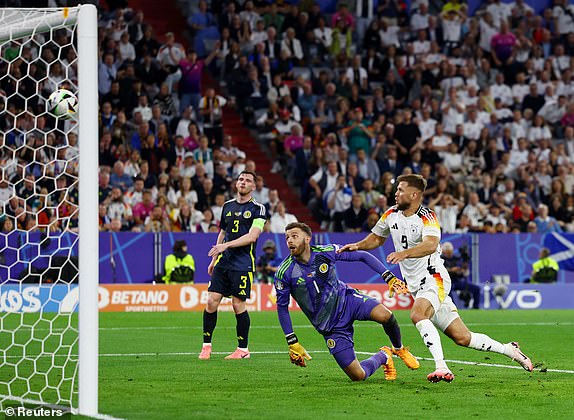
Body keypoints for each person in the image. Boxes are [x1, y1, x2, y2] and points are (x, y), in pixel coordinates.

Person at [338, 174, 533, 383]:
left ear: (414, 194)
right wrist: (358, 245)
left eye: (400, 190)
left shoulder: (427, 216)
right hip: (416, 286)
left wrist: (404, 253)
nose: (395, 193)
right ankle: (510, 350)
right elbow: (377, 237)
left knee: (417, 314)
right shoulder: (390, 214)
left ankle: (442, 367)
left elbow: (431, 244)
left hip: (434, 278)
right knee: (462, 337)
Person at [274, 222, 420, 382]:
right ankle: (384, 355)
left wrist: (388, 276)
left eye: (294, 236)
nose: (289, 241)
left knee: (385, 315)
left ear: (307, 239)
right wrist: (292, 341)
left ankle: (398, 348)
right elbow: (282, 307)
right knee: (358, 376)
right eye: (287, 237)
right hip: (330, 327)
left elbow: (362, 256)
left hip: (347, 301)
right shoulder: (284, 272)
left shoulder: (325, 252)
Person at [199, 171, 266, 360]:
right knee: (211, 301)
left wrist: (226, 245)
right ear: (236, 184)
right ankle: (206, 346)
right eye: (241, 179)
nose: (243, 182)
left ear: (253, 187)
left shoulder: (259, 209)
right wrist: (214, 258)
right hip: (224, 262)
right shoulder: (227, 206)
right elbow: (223, 231)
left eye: (248, 181)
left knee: (238, 304)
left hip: (243, 263)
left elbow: (252, 236)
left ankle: (243, 350)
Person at [441, 242, 481, 309]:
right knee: (448, 290)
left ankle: (476, 308)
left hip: (457, 280)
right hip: (446, 281)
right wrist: (451, 270)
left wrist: (462, 271)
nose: (449, 254)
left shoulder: (456, 258)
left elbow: (464, 271)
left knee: (476, 289)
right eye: (447, 253)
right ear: (444, 252)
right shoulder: (440, 259)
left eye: (450, 252)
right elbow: (440, 271)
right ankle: (452, 308)